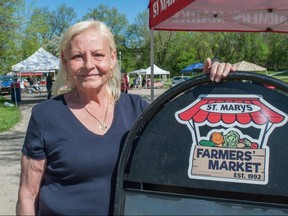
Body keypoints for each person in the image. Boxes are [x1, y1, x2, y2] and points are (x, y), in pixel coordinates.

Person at [16, 20, 237, 216]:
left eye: (98, 55)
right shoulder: (45, 116)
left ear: (112, 59)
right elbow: (28, 194)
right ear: (65, 62)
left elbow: (188, 132)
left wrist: (211, 86)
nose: (89, 65)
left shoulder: (138, 110)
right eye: (77, 57)